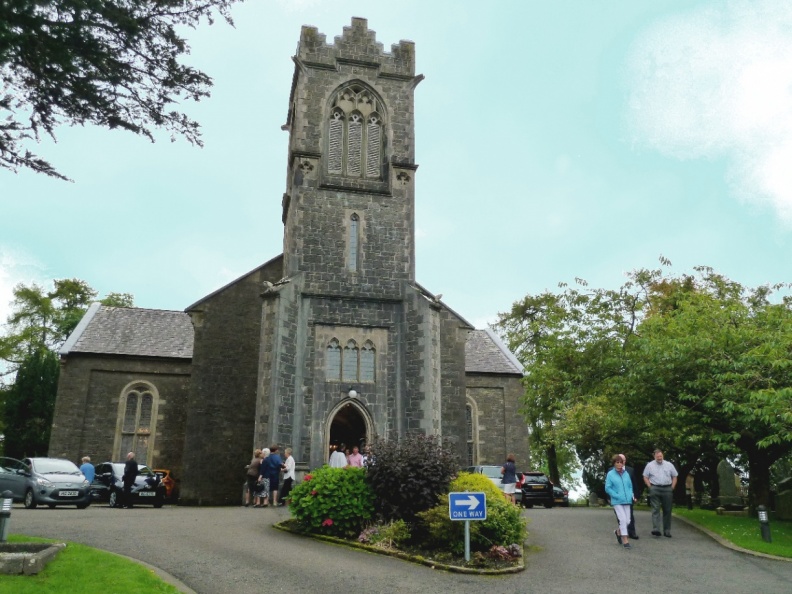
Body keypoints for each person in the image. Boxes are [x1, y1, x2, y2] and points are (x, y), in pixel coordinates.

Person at [643, 449, 678, 537]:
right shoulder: (649, 465)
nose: (659, 458)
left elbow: (674, 476)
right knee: (655, 509)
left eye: (661, 456)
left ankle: (667, 530)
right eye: (657, 456)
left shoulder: (669, 465)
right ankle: (656, 529)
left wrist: (672, 487)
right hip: (655, 487)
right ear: (654, 456)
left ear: (663, 456)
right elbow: (645, 476)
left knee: (667, 510)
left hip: (667, 488)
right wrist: (650, 487)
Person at [606, 454, 635, 549]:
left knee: (627, 521)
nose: (619, 464)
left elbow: (630, 486)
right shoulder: (610, 474)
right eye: (617, 462)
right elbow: (608, 488)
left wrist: (631, 495)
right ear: (614, 463)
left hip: (627, 500)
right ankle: (625, 540)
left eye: (621, 462)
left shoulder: (626, 473)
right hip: (617, 501)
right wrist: (616, 495)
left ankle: (618, 532)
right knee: (622, 520)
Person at [617, 454, 640, 540]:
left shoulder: (630, 470)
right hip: (617, 497)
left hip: (628, 496)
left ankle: (631, 532)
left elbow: (634, 484)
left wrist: (636, 495)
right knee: (621, 516)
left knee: (629, 516)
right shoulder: (611, 470)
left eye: (623, 460)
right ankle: (623, 533)